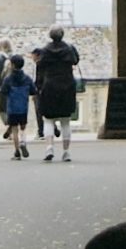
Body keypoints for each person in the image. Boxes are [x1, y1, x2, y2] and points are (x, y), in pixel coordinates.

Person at [34, 26, 82, 162]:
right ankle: (66, 152)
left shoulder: (45, 51)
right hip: (67, 86)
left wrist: (38, 86)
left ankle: (49, 148)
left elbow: (39, 68)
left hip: (50, 87)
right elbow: (76, 60)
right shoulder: (69, 49)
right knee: (65, 121)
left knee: (48, 120)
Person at [0, 51, 34, 159]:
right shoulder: (27, 78)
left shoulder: (8, 79)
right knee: (23, 127)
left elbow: (2, 91)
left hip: (12, 107)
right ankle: (23, 141)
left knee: (14, 129)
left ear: (12, 65)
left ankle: (17, 151)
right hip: (23, 107)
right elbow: (33, 90)